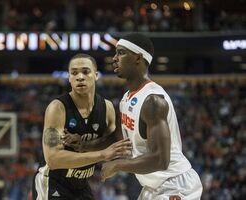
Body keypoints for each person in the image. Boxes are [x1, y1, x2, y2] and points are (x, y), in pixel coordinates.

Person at [100, 33, 203, 200]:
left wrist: (117, 165)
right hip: (153, 186)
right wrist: (84, 146)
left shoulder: (153, 100)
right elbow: (118, 141)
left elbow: (160, 159)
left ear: (138, 58)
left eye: (121, 53)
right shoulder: (126, 99)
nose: (114, 58)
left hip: (174, 184)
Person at [32, 53, 131, 200]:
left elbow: (115, 145)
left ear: (96, 75)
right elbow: (53, 159)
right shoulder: (57, 108)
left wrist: (114, 163)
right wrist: (103, 154)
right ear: (69, 78)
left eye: (85, 72)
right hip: (53, 182)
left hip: (82, 183)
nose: (80, 77)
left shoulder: (107, 108)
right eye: (74, 73)